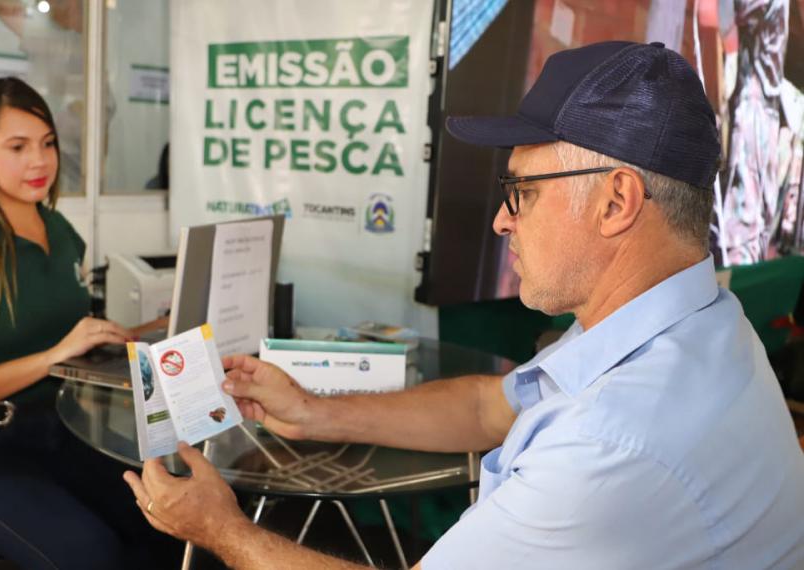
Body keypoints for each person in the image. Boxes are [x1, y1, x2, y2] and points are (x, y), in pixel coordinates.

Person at [122, 41, 804, 569]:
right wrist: (315, 411)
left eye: (523, 191)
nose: (503, 222)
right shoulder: (687, 326)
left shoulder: (614, 438)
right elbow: (488, 408)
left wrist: (220, 528)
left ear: (617, 201)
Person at [0, 77, 176, 569]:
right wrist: (49, 359)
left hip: (64, 430)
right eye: (17, 147)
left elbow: (64, 331)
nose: (40, 161)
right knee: (92, 554)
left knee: (172, 520)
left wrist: (151, 328)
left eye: (47, 144)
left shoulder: (58, 230)